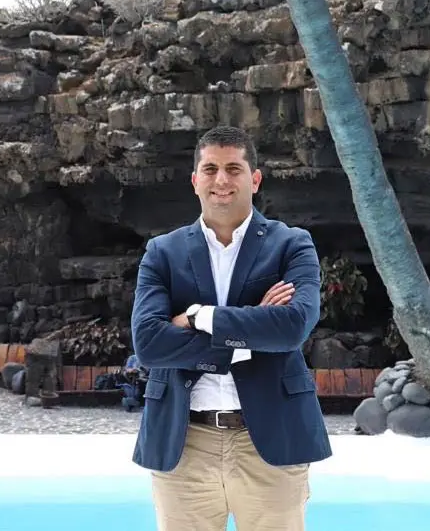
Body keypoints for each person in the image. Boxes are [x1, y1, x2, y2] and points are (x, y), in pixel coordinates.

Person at [129, 125, 332, 531]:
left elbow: (292, 327)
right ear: (194, 180)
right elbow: (149, 344)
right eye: (211, 169)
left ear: (254, 179)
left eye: (234, 169)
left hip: (272, 440)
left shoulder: (292, 245)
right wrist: (248, 335)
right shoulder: (162, 252)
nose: (222, 180)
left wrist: (198, 318)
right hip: (184, 442)